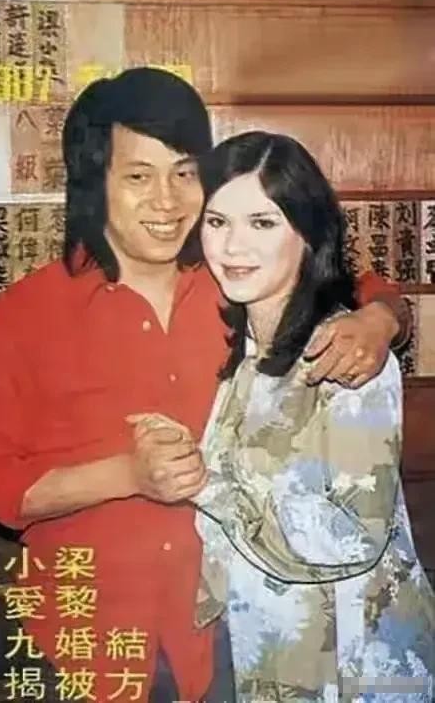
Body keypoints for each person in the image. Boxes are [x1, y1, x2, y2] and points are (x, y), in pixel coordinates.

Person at [0, 70, 412, 702]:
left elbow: (348, 281)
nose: (167, 202)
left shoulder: (233, 277)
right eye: (139, 176)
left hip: (233, 638)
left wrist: (382, 318)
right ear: (95, 182)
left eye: (184, 172)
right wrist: (125, 475)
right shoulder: (23, 316)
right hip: (87, 641)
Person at [132, 131, 435, 702]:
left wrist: (204, 483)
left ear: (307, 231)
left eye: (262, 222)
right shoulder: (246, 347)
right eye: (218, 221)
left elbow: (353, 538)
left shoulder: (344, 355)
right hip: (269, 655)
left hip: (355, 667)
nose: (233, 245)